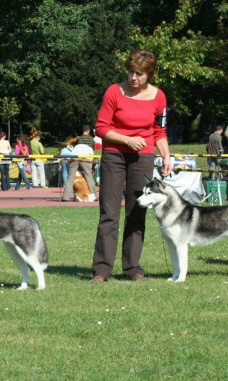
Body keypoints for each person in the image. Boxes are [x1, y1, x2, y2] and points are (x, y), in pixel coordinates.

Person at [91, 49, 172, 282]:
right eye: (130, 72)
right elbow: (101, 128)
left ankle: (132, 268)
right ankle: (102, 270)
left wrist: (166, 156)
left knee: (137, 211)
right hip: (114, 154)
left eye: (139, 73)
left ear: (149, 74)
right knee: (109, 212)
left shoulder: (159, 97)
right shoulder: (114, 92)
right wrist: (126, 140)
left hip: (143, 157)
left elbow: (159, 131)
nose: (133, 77)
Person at [61, 137, 98, 202]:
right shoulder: (89, 148)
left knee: (70, 179)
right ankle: (94, 196)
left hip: (74, 159)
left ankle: (65, 197)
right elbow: (91, 159)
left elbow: (71, 155)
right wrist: (90, 169)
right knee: (89, 178)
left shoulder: (76, 147)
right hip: (85, 160)